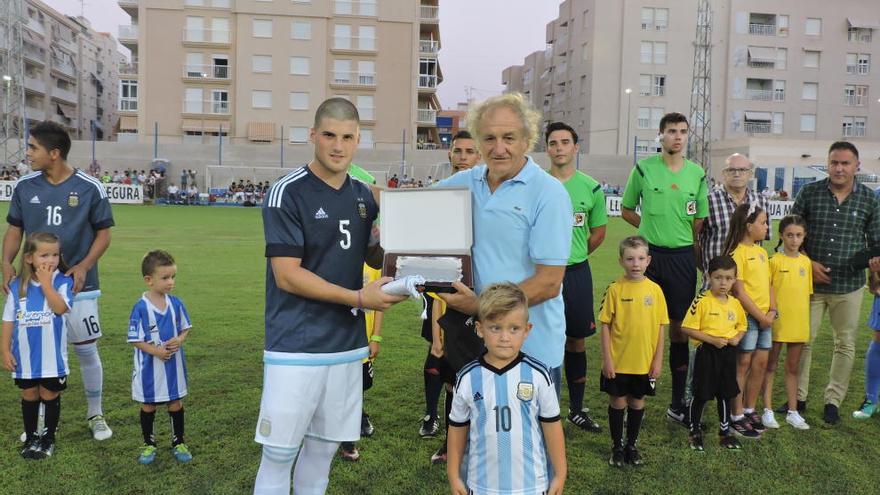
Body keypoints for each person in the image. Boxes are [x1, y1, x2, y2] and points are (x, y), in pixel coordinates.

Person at [253, 98, 406, 495]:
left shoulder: (364, 196)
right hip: (296, 347)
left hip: (346, 346)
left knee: (322, 453)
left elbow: (373, 252)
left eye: (348, 137)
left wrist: (406, 247)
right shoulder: (286, 192)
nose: (338, 146)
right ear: (313, 136)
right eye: (329, 136)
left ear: (358, 141)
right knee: (279, 456)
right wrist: (358, 297)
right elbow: (287, 276)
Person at [436, 93, 572, 396]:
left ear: (527, 139)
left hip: (532, 351)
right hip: (477, 345)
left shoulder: (548, 193)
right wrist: (348, 182)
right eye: (489, 138)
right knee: (475, 437)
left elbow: (549, 282)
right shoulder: (466, 182)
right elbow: (411, 205)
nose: (498, 148)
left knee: (531, 442)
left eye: (509, 137)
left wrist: (480, 306)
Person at [2, 121, 115, 442]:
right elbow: (14, 230)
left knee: (85, 350)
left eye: (33, 147)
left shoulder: (89, 187)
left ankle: (95, 412)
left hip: (80, 287)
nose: (28, 153)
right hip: (34, 288)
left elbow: (104, 234)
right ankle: (40, 418)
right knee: (40, 351)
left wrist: (83, 265)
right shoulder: (25, 186)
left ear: (54, 153)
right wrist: (5, 263)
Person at [620, 112, 709, 426]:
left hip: (683, 258)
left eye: (683, 131)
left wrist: (681, 235)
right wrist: (646, 233)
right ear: (661, 136)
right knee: (641, 323)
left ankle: (676, 402)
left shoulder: (697, 173)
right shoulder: (644, 169)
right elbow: (627, 209)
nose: (678, 137)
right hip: (650, 258)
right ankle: (635, 391)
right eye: (672, 131)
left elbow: (699, 218)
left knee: (678, 329)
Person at [446, 283, 566, 495]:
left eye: (514, 328)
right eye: (495, 328)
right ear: (480, 329)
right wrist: (454, 475)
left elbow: (552, 426)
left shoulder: (539, 375)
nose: (504, 337)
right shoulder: (467, 377)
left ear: (526, 330)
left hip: (530, 486)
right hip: (481, 486)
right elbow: (457, 429)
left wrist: (560, 472)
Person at [791, 141, 880, 425]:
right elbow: (791, 234)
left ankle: (833, 401)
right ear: (827, 164)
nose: (839, 168)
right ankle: (798, 398)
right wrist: (808, 264)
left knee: (845, 344)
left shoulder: (869, 199)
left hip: (849, 286)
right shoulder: (810, 193)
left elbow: (876, 243)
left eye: (845, 163)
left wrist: (869, 266)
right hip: (810, 285)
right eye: (834, 163)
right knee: (803, 341)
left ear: (857, 166)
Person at [546, 121, 607, 433]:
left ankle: (577, 409)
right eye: (554, 143)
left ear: (575, 147)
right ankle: (544, 407)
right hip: (543, 273)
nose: (559, 148)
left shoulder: (591, 187)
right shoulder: (537, 184)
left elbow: (598, 233)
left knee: (576, 340)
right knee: (540, 339)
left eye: (565, 142)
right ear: (547, 149)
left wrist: (576, 254)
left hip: (577, 273)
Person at [1, 232, 73, 459]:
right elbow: (8, 320)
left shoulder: (62, 281)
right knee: (29, 393)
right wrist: (4, 350)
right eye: (44, 255)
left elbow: (60, 308)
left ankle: (48, 438)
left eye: (55, 254)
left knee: (49, 394)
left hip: (52, 357)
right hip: (25, 356)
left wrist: (45, 284)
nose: (50, 260)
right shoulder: (16, 286)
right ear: (29, 258)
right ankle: (32, 437)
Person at [598, 236, 667, 467]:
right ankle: (617, 447)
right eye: (630, 259)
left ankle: (631, 446)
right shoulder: (615, 290)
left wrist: (657, 361)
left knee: (637, 403)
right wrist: (607, 360)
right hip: (618, 362)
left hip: (643, 364)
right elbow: (605, 326)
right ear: (621, 261)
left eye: (640, 258)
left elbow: (660, 328)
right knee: (618, 402)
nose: (635, 264)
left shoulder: (655, 291)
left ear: (648, 260)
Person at [128, 250, 193, 465]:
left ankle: (179, 441)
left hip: (173, 367)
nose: (170, 282)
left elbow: (185, 329)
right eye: (165, 278)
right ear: (149, 280)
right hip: (149, 368)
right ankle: (149, 444)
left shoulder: (176, 304)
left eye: (173, 277)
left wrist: (180, 340)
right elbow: (135, 339)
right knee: (149, 405)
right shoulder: (140, 308)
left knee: (175, 402)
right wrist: (156, 351)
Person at [680, 255, 747, 451]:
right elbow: (687, 328)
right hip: (706, 352)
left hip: (728, 354)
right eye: (718, 277)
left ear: (734, 279)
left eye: (728, 278)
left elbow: (742, 325)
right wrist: (712, 340)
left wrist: (737, 337)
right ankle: (694, 431)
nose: (723, 282)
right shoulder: (701, 301)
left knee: (725, 393)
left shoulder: (735, 303)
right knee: (701, 393)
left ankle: (724, 433)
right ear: (709, 277)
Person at [723, 203, 772, 439]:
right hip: (749, 319)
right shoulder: (737, 254)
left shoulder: (763, 252)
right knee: (742, 365)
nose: (766, 227)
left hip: (765, 319)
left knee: (760, 364)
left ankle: (750, 409)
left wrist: (772, 310)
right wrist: (761, 317)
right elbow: (740, 293)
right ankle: (736, 415)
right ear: (748, 225)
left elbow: (770, 284)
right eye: (763, 222)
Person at [761, 215, 811, 430]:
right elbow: (767, 292)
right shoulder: (773, 262)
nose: (794, 240)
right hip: (778, 323)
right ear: (781, 236)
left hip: (798, 323)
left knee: (793, 368)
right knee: (770, 366)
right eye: (789, 235)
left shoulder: (806, 263)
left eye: (798, 235)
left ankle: (793, 411)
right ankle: (767, 410)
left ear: (804, 237)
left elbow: (806, 295)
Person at [699, 154, 769, 289]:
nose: (737, 174)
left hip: (751, 289)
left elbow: (762, 241)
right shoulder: (708, 201)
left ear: (750, 173)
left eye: (742, 170)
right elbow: (695, 242)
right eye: (731, 170)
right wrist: (708, 267)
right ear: (723, 173)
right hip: (717, 287)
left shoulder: (761, 201)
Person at [339, 263, 384, 461]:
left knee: (361, 384)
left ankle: (360, 415)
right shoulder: (338, 256)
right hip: (338, 337)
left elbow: (381, 304)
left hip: (363, 338)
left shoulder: (374, 264)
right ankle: (346, 439)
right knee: (341, 386)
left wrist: (375, 337)